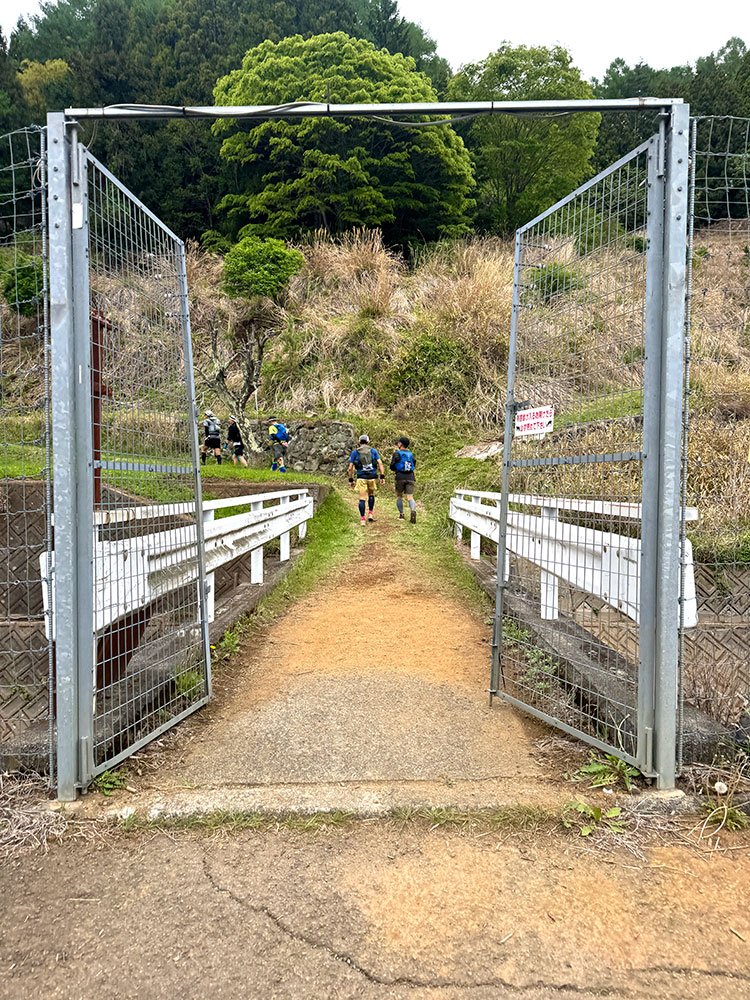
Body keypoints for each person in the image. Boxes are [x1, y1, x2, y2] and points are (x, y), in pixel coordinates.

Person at [348, 434, 385, 525]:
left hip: (361, 478)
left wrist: (351, 479)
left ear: (359, 442)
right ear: (368, 442)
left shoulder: (355, 452)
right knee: (371, 494)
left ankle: (363, 519)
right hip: (372, 477)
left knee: (362, 498)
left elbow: (350, 468)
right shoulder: (373, 451)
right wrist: (382, 476)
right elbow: (380, 463)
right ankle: (371, 514)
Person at [390, 435, 418, 523]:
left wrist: (396, 469)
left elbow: (392, 466)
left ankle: (401, 515)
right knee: (410, 497)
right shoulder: (411, 454)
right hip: (411, 477)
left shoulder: (397, 453)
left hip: (400, 477)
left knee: (399, 496)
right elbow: (414, 463)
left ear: (401, 444)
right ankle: (413, 511)